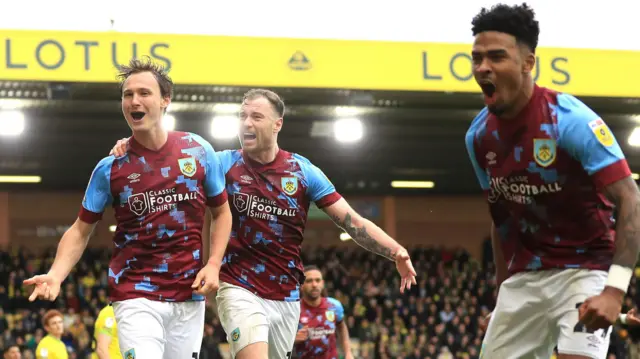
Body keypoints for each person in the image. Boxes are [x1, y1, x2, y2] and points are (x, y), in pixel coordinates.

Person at [109, 88, 417, 359]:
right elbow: (168, 158)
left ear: (277, 123)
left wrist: (396, 251)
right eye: (242, 116)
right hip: (236, 285)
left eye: (256, 116)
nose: (246, 123)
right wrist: (134, 144)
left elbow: (351, 221)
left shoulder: (302, 172)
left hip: (285, 294)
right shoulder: (222, 163)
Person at [24, 57, 233, 359]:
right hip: (134, 294)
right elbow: (81, 230)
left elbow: (222, 212)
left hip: (188, 295)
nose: (134, 100)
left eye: (144, 93)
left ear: (165, 100)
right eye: (127, 94)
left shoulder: (198, 151)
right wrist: (56, 275)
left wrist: (214, 263)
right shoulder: (110, 168)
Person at [465, 3, 640, 359]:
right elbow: (502, 222)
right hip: (524, 279)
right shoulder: (478, 137)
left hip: (584, 269)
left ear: (528, 63)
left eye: (497, 57)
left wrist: (614, 291)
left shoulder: (569, 121)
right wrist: (502, 297)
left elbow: (630, 198)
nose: (483, 67)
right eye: (477, 58)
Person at [293, 265, 353, 359]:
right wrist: (293, 340)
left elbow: (342, 327)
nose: (314, 285)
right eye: (309, 281)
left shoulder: (334, 306)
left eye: (317, 280)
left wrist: (348, 352)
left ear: (323, 283)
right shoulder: (294, 310)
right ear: (301, 285)